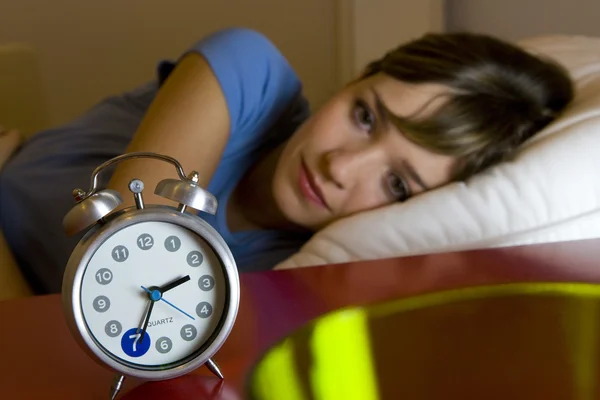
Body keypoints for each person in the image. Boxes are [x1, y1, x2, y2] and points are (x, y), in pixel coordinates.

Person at [0, 27, 574, 295]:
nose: (339, 166)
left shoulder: (299, 278)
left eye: (397, 184)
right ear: (355, 79)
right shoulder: (251, 75)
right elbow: (119, 270)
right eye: (366, 116)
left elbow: (104, 342)